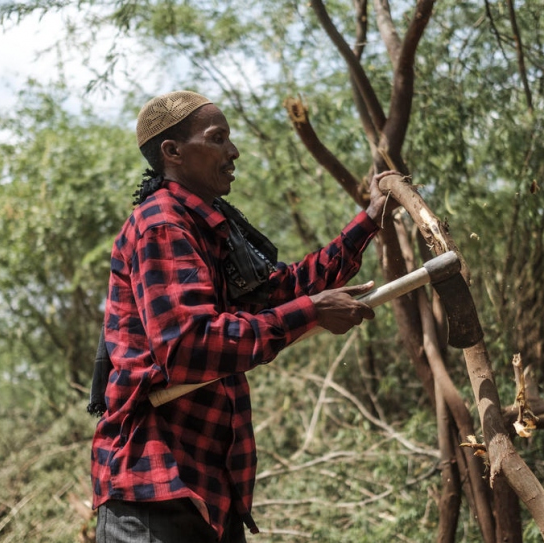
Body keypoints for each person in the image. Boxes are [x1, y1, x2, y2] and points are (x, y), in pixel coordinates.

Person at [90, 90, 398, 543]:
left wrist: (370, 219)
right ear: (173, 152)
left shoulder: (212, 230)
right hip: (154, 490)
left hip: (207, 490)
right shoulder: (163, 225)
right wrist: (312, 311)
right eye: (218, 139)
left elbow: (283, 290)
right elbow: (187, 346)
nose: (233, 152)